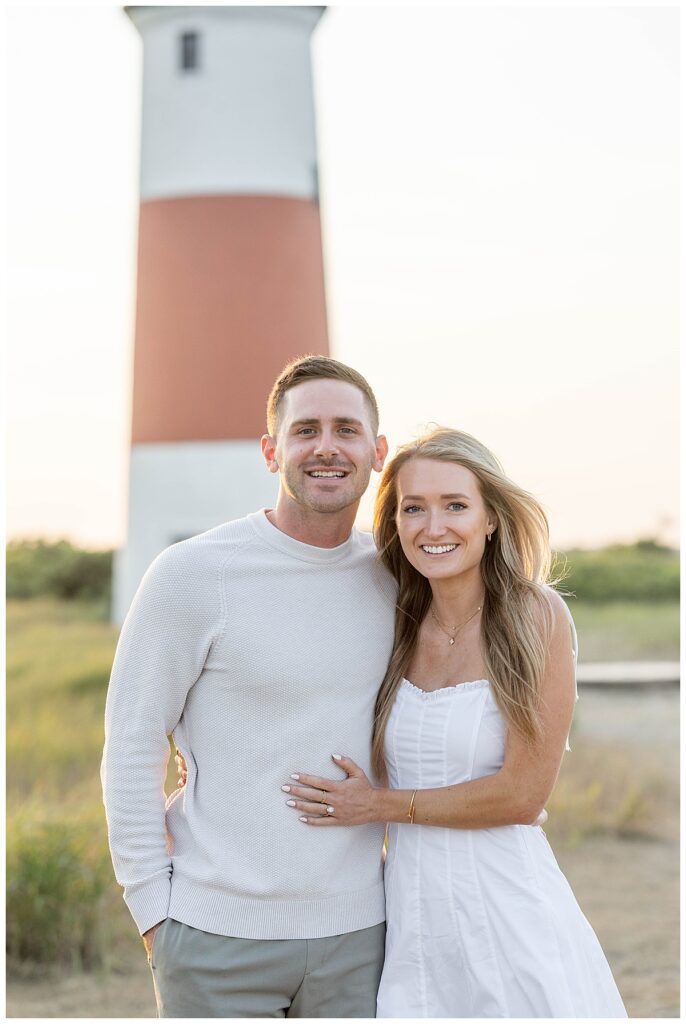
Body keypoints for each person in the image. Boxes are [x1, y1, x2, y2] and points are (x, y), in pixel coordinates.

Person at [281, 427, 627, 1018]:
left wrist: (377, 806)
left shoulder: (535, 614)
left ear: (491, 517)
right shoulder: (390, 620)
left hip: (507, 904)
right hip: (411, 916)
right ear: (394, 522)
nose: (432, 527)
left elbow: (522, 795)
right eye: (413, 508)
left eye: (455, 506)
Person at [101, 356, 398, 1018]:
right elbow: (132, 740)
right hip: (213, 941)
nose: (327, 446)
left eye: (347, 429)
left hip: (362, 938)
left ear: (378, 452)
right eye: (306, 430)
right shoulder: (192, 574)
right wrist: (154, 910)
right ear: (272, 451)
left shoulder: (398, 579)